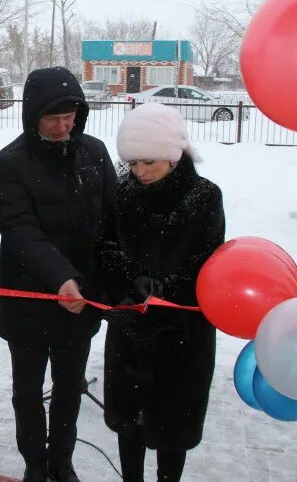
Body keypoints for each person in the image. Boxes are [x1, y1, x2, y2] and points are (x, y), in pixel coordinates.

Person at [0, 66, 117, 482]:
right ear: (32, 116)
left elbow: (113, 220)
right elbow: (21, 231)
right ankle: (35, 465)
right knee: (27, 392)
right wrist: (61, 277)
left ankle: (61, 461)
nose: (63, 127)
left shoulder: (94, 153)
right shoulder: (8, 164)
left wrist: (104, 279)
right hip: (31, 301)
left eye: (70, 117)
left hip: (81, 302)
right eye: (52, 119)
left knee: (68, 389)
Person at [96, 103, 225, 482]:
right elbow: (105, 248)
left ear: (172, 155)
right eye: (133, 163)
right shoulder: (123, 193)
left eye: (148, 162)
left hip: (182, 334)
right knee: (129, 425)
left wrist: (168, 293)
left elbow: (207, 259)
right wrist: (130, 280)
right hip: (131, 328)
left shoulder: (203, 197)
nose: (140, 172)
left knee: (172, 430)